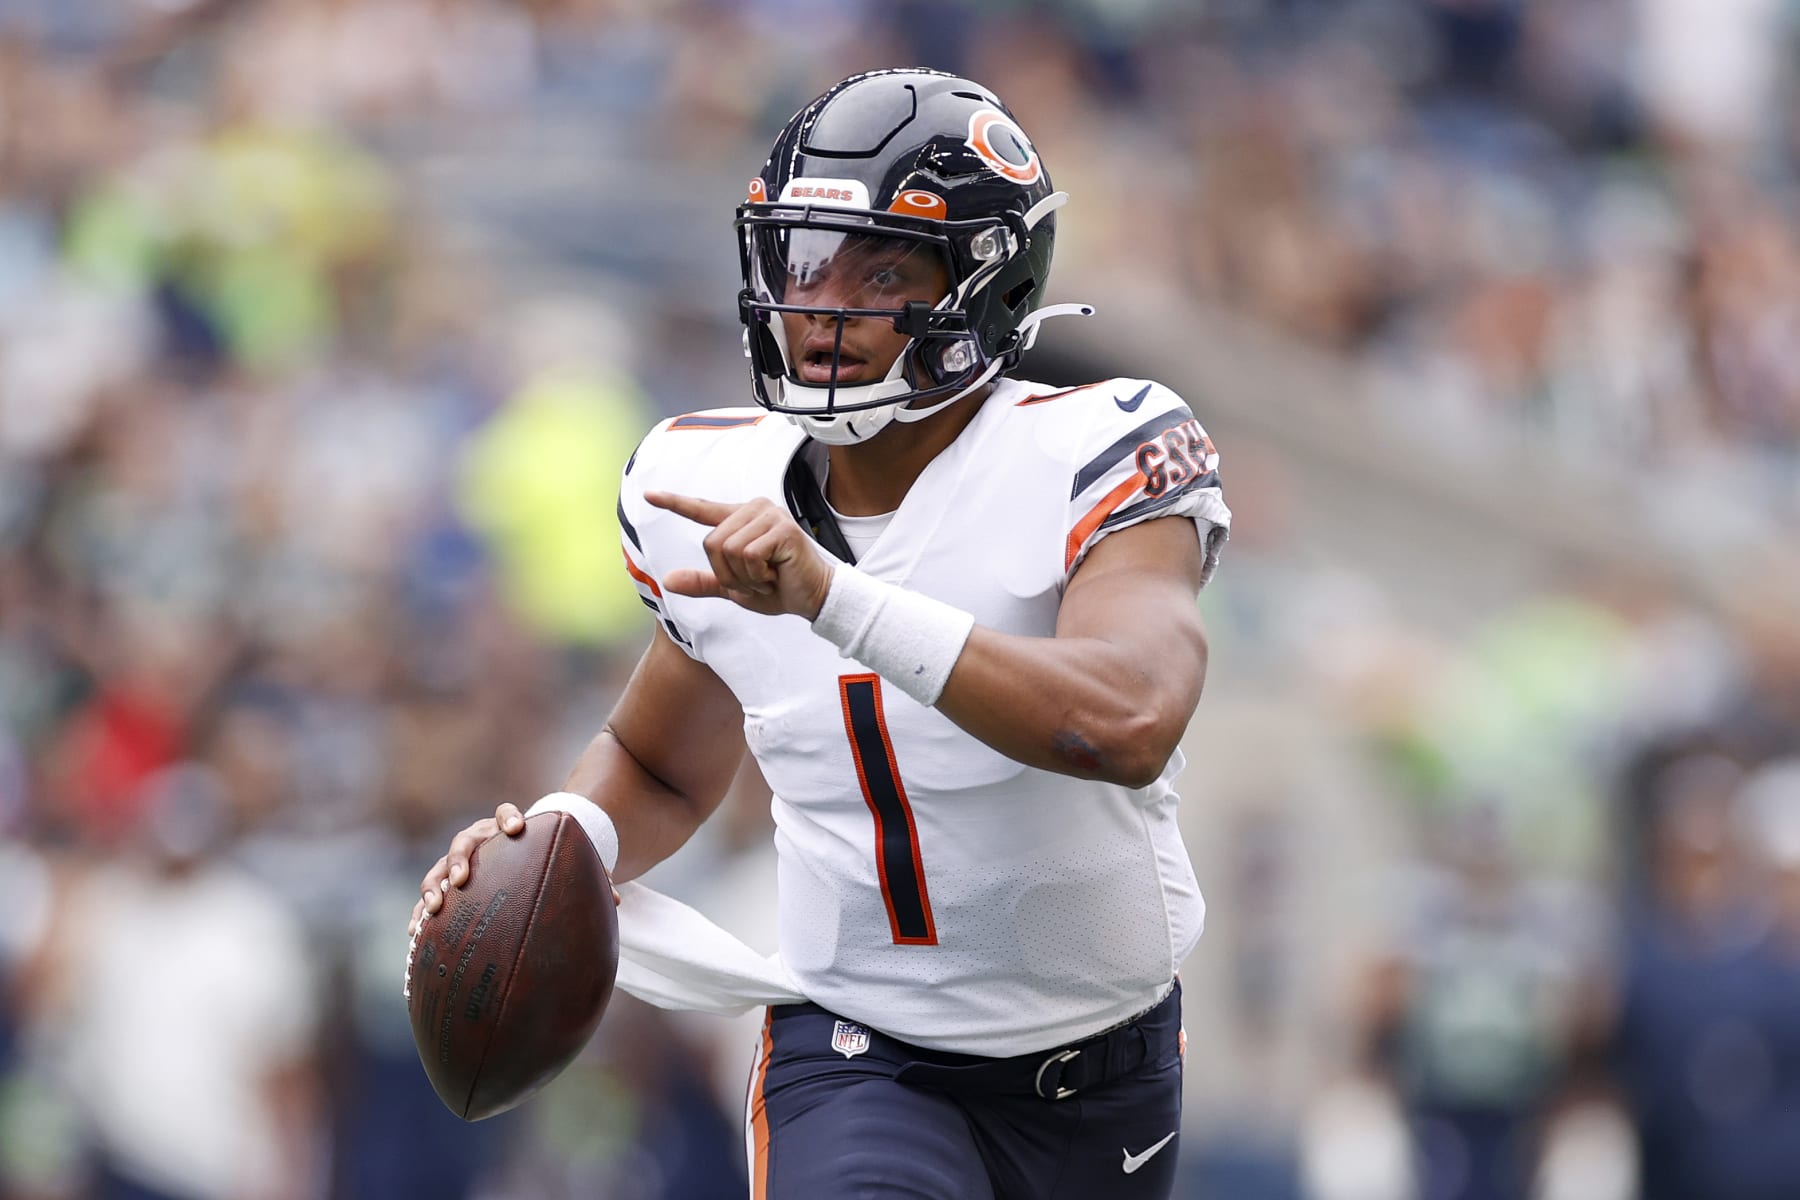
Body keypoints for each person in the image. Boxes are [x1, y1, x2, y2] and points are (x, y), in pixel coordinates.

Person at [410, 67, 1231, 1198]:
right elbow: (657, 761)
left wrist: (834, 599)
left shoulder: (1091, 450)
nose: (822, 306)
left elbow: (1126, 718)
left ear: (986, 284)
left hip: (1102, 1067)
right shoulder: (699, 480)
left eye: (883, 268)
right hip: (857, 1054)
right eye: (802, 262)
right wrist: (560, 843)